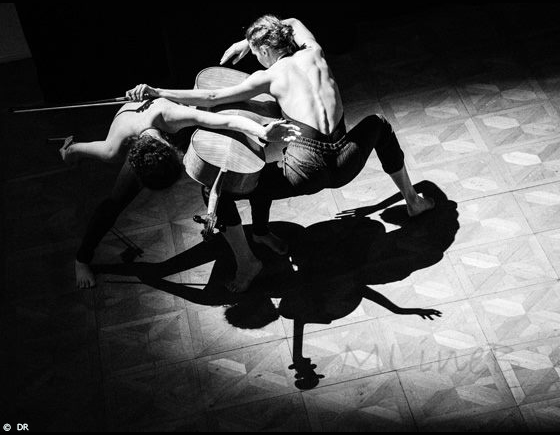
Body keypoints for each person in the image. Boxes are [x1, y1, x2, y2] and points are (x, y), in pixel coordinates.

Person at [127, 15, 434, 293]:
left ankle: (247, 262)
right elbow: (294, 21)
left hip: (308, 170)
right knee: (379, 124)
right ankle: (413, 201)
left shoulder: (270, 76)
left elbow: (211, 96)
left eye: (256, 52)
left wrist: (158, 92)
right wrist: (249, 41)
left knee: (218, 188)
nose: (256, 58)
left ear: (264, 50)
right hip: (347, 160)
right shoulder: (314, 51)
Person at [62, 96, 300, 288]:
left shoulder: (172, 116)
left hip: (174, 127)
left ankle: (260, 232)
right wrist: (70, 151)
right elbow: (86, 149)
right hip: (140, 133)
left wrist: (262, 131)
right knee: (114, 203)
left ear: (169, 147)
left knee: (254, 171)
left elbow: (228, 121)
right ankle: (81, 259)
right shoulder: (114, 147)